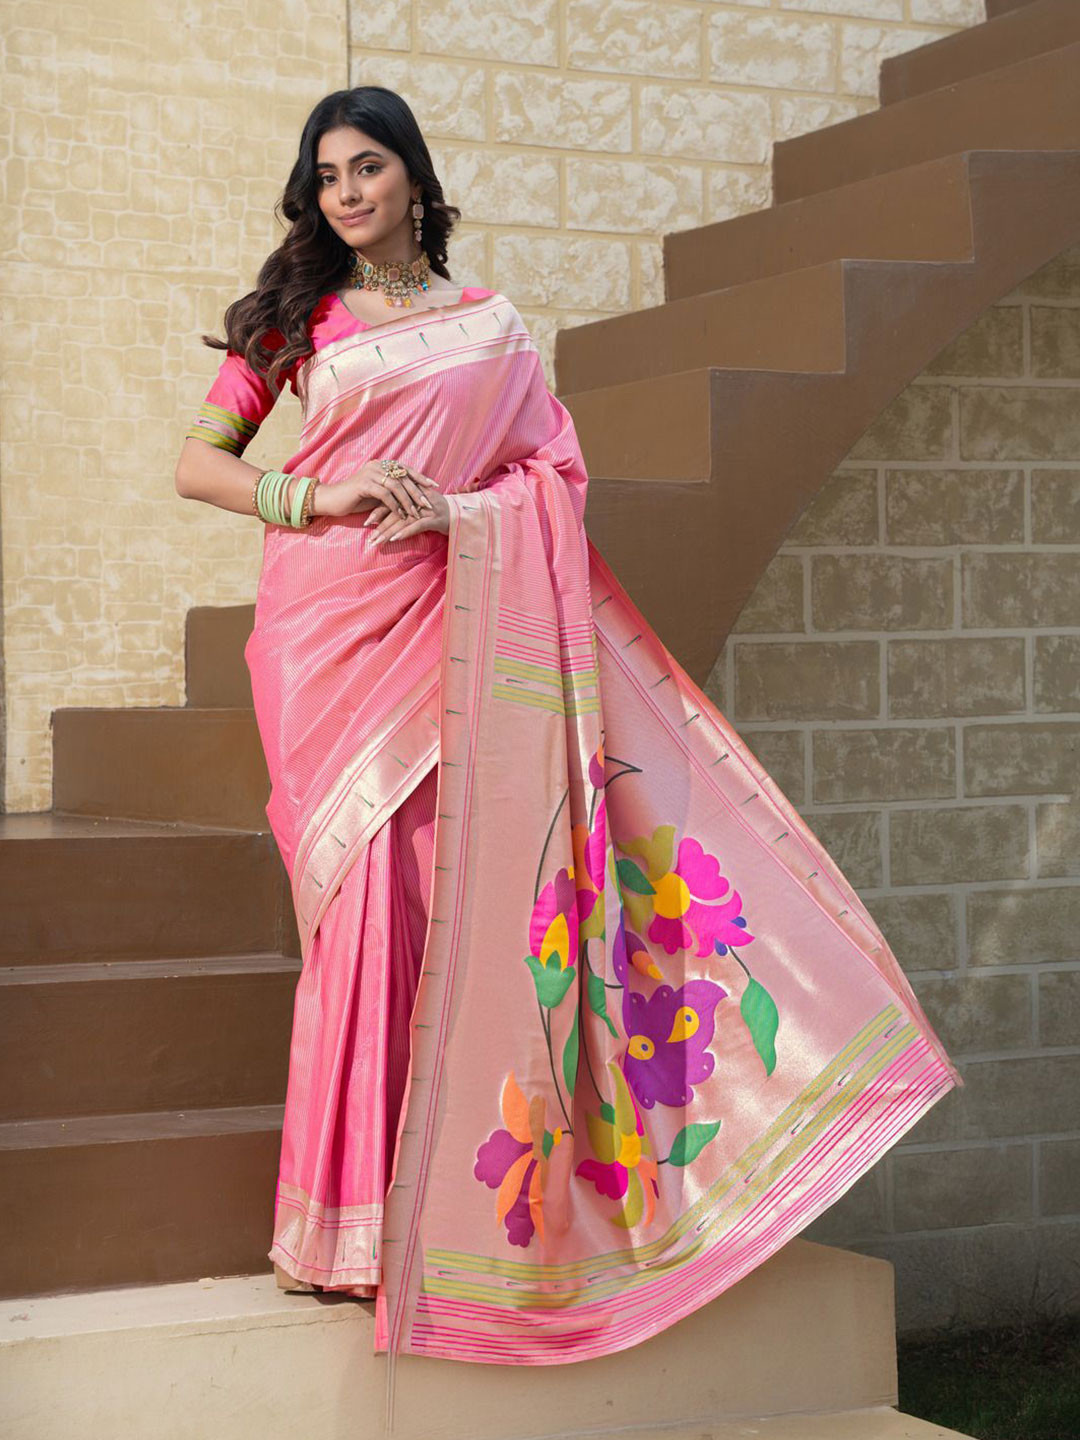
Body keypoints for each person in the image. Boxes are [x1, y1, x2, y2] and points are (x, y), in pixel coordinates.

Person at [175, 85, 963, 1434]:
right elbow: (199, 464)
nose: (347, 194)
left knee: (449, 904)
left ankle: (434, 1224)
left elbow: (550, 478)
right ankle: (341, 1232)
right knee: (362, 914)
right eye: (327, 177)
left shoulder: (493, 326)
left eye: (368, 168)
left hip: (459, 622)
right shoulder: (295, 320)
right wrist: (326, 490)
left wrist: (462, 514)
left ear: (414, 179)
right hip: (331, 637)